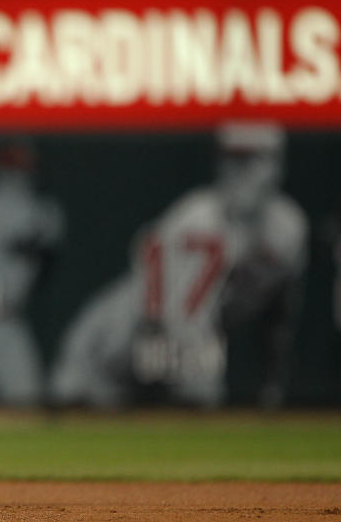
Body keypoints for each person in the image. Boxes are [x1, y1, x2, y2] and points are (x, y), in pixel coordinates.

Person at [50, 122, 307, 408]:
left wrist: (272, 382)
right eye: (231, 158)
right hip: (109, 345)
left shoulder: (289, 229)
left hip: (162, 347)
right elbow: (179, 320)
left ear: (276, 165)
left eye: (251, 160)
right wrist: (201, 383)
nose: (238, 171)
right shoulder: (196, 219)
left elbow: (279, 319)